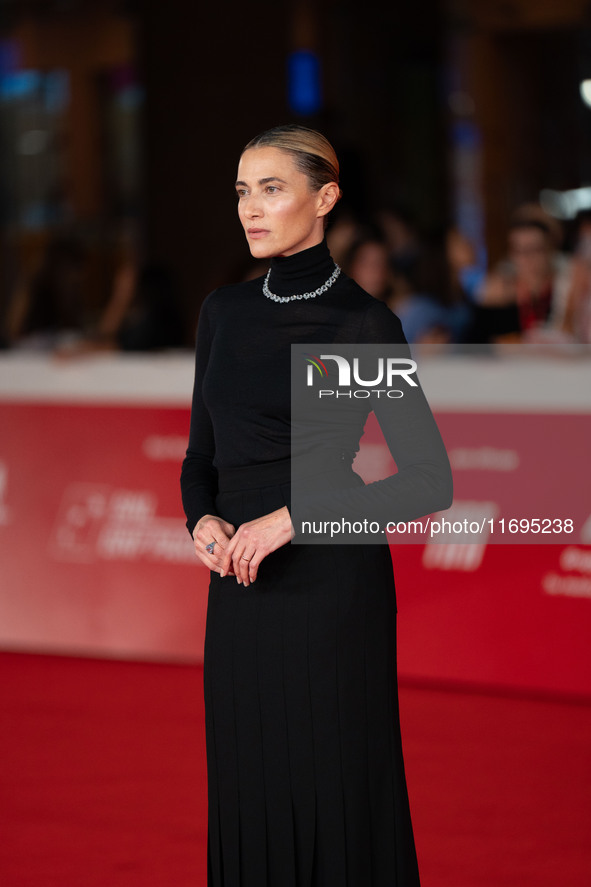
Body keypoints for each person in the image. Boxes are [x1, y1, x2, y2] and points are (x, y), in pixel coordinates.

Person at [180, 124, 453, 887]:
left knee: (333, 791)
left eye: (271, 188)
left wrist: (291, 518)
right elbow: (199, 457)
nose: (250, 208)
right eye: (242, 190)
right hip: (239, 590)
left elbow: (427, 480)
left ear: (324, 196)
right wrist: (200, 519)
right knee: (248, 787)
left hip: (331, 592)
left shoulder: (362, 326)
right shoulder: (223, 313)